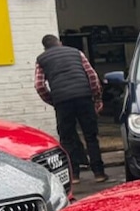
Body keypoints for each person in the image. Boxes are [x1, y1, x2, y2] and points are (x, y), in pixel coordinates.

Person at [34, 34, 107, 183]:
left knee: (67, 138)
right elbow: (92, 76)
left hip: (62, 101)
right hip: (84, 98)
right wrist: (97, 98)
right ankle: (99, 173)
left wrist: (54, 101)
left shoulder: (41, 59)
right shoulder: (76, 52)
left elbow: (39, 85)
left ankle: (74, 176)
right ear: (59, 43)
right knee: (91, 136)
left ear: (45, 47)